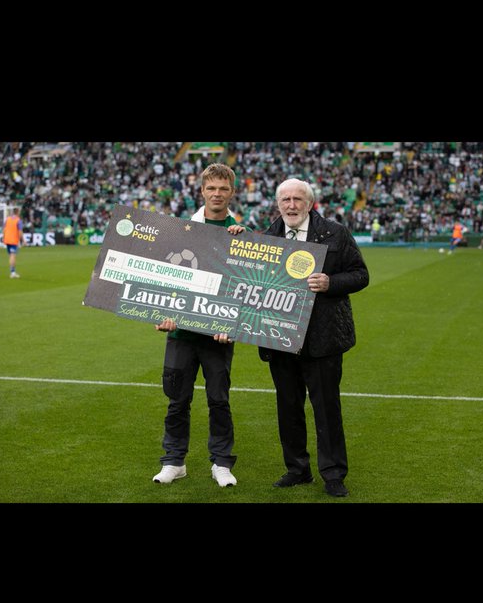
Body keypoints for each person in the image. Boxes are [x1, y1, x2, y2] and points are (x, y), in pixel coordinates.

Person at [259, 178, 369, 497]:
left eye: (297, 199)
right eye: (285, 200)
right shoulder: (266, 238)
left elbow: (361, 274)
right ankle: (297, 469)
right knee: (288, 407)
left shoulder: (335, 233)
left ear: (310, 203)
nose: (291, 205)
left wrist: (330, 282)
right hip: (280, 337)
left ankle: (333, 473)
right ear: (277, 204)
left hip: (322, 338)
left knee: (326, 408)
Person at [153, 164, 246, 489]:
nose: (217, 194)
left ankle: (221, 463)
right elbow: (166, 278)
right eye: (211, 189)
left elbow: (246, 288)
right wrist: (161, 313)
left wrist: (231, 322)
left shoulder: (244, 235)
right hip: (181, 331)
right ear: (202, 191)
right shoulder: (183, 230)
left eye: (223, 189)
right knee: (177, 399)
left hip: (218, 335)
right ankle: (174, 461)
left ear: (232, 192)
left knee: (218, 400)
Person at [2, 207, 25, 277]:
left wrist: (3, 237)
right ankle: (12, 272)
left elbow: (4, 229)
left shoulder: (7, 219)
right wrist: (23, 240)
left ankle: (12, 271)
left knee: (11, 255)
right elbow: (20, 231)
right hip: (13, 240)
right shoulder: (18, 220)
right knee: (13, 255)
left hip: (7, 239)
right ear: (18, 212)